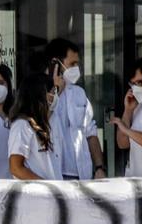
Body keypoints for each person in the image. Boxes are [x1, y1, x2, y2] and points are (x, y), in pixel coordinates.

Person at [44, 38, 106, 179]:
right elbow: (38, 122)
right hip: (54, 174)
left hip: (81, 173)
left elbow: (90, 133)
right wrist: (56, 91)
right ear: (56, 63)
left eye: (77, 63)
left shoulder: (79, 93)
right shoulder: (39, 89)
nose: (76, 68)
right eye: (72, 64)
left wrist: (99, 167)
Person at [7, 72, 64, 180]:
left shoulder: (42, 123)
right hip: (36, 194)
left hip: (52, 192)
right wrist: (45, 186)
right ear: (40, 95)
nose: (54, 97)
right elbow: (15, 168)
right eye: (52, 92)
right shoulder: (21, 126)